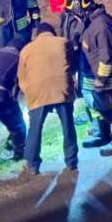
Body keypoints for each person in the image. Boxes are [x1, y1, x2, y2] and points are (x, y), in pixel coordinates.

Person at [66, 0, 112, 156]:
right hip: (94, 76)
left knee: (110, 110)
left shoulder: (102, 24)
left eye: (76, 15)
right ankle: (108, 135)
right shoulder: (91, 22)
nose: (76, 19)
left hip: (105, 78)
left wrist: (101, 79)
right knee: (100, 107)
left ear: (82, 11)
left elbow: (107, 55)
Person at [17, 22, 78, 176]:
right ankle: (71, 161)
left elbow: (21, 77)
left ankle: (32, 164)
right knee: (68, 126)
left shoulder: (26, 50)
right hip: (61, 88)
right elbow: (73, 65)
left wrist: (28, 91)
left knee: (35, 129)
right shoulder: (63, 42)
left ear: (37, 35)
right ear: (53, 33)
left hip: (37, 92)